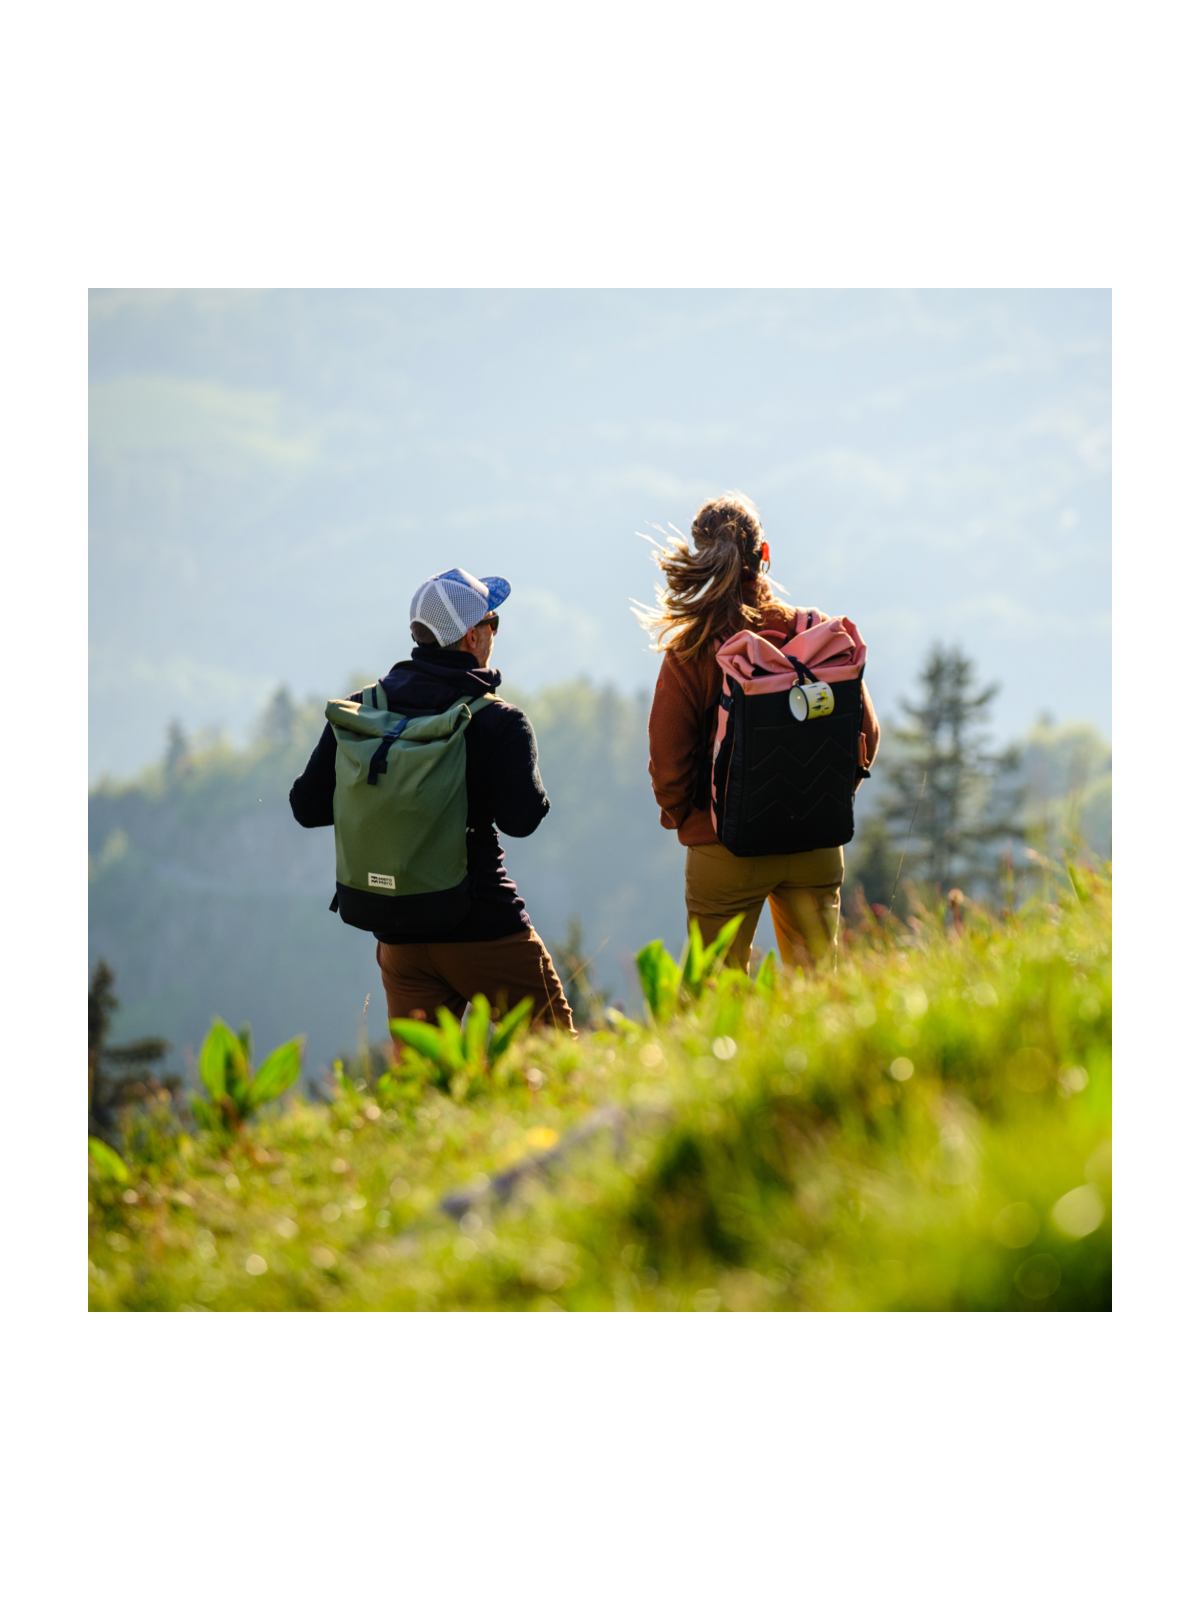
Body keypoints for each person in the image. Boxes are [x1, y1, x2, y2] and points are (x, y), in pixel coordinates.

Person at [290, 566, 574, 1035]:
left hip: (398, 938)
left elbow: (307, 807)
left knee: (423, 1088)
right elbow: (522, 819)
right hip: (483, 928)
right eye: (492, 622)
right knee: (557, 1055)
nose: (493, 633)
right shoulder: (497, 721)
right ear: (470, 637)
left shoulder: (362, 709)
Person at [640, 494, 881, 974]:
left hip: (725, 848)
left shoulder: (691, 649)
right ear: (764, 554)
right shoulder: (819, 638)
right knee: (817, 995)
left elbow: (668, 765)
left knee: (713, 995)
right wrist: (821, 799)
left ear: (701, 558)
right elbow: (867, 737)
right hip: (815, 843)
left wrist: (695, 820)